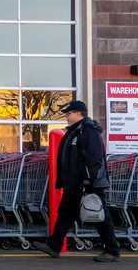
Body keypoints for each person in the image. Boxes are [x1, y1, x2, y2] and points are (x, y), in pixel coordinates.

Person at [35, 100, 121, 262]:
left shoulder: (88, 130)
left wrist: (88, 181)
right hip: (74, 183)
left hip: (88, 184)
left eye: (69, 114)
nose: (67, 117)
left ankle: (112, 251)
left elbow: (94, 158)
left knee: (99, 215)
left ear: (78, 113)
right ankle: (54, 246)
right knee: (65, 214)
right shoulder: (75, 131)